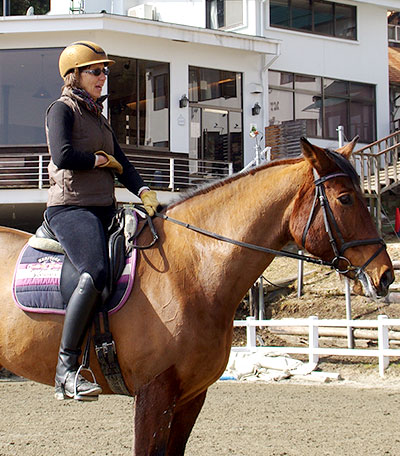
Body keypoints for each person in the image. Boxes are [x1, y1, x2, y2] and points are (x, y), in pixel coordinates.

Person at [45, 41, 159, 401]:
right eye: (95, 70)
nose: (103, 76)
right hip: (72, 208)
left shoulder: (99, 115)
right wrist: (96, 161)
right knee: (94, 272)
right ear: (74, 76)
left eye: (105, 71)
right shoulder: (61, 110)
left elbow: (121, 160)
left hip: (105, 207)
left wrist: (143, 191)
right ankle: (66, 370)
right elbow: (61, 155)